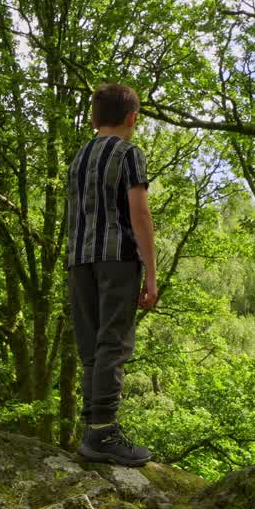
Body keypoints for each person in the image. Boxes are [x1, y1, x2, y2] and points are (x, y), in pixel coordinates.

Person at [65, 83, 159, 467]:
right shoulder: (129, 154)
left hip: (78, 260)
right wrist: (151, 275)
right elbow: (139, 215)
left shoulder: (78, 157)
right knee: (113, 344)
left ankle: (93, 430)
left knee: (91, 347)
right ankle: (103, 432)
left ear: (93, 118)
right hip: (117, 258)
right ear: (132, 118)